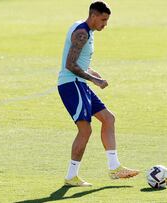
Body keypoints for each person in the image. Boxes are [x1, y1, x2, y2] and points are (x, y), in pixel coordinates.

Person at [57, 1, 139, 187]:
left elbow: (79, 61)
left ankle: (114, 167)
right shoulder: (82, 33)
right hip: (72, 85)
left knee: (108, 119)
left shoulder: (87, 31)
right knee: (85, 129)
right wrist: (94, 80)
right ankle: (71, 176)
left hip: (79, 83)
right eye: (103, 20)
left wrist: (92, 73)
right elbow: (70, 65)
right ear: (93, 16)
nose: (105, 24)